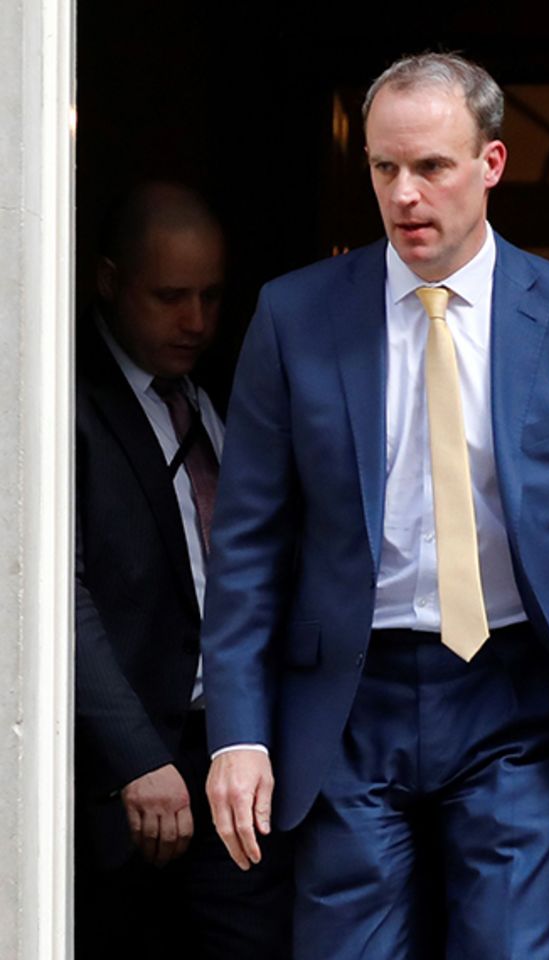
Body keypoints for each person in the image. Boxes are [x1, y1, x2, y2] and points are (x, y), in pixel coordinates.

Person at [201, 53, 549, 959]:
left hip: (513, 697)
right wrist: (236, 733)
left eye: (431, 166)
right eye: (383, 168)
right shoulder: (295, 314)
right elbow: (247, 545)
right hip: (348, 701)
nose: (405, 195)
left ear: (492, 164)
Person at [74, 182, 292, 960]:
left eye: (210, 296)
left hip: (237, 754)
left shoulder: (223, 391)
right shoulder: (63, 402)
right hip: (120, 775)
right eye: (169, 296)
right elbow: (52, 596)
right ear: (107, 281)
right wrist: (136, 756)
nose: (195, 321)